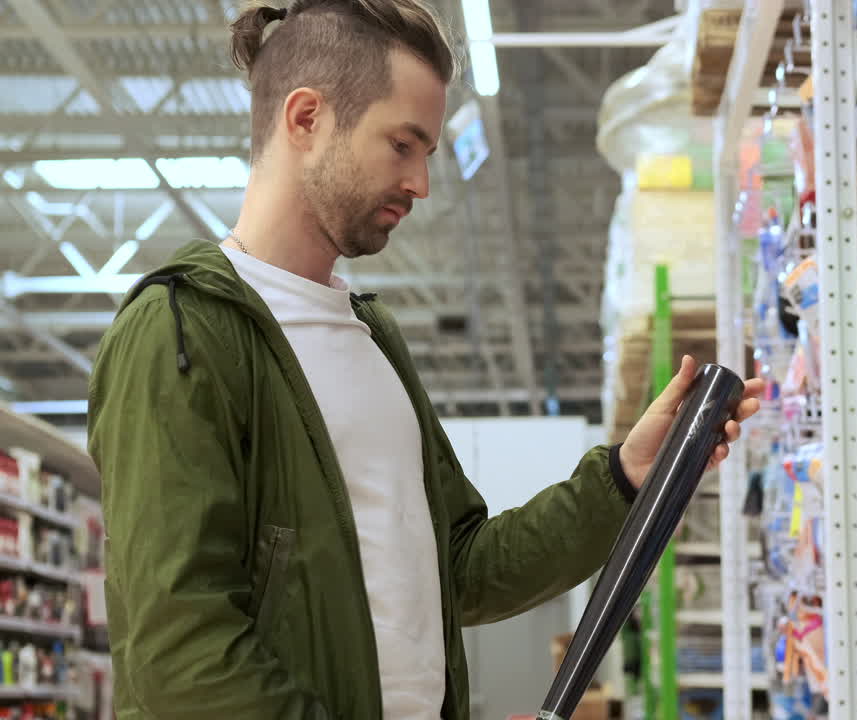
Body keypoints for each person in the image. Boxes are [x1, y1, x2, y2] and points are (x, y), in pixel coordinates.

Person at [85, 1, 764, 719]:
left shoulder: (371, 337)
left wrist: (626, 475)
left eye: (427, 154)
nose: (421, 184)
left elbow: (465, 567)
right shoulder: (180, 330)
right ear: (306, 118)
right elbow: (180, 654)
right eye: (402, 145)